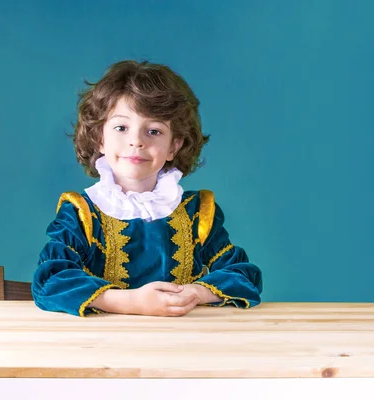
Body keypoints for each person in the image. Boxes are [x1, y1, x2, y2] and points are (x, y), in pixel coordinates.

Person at [31, 60, 263, 317]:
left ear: (174, 147)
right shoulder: (81, 213)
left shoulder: (197, 212)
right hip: (101, 347)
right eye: (121, 127)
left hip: (185, 343)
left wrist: (195, 293)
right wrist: (130, 302)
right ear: (100, 139)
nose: (136, 141)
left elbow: (243, 276)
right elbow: (50, 282)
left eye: (153, 131)